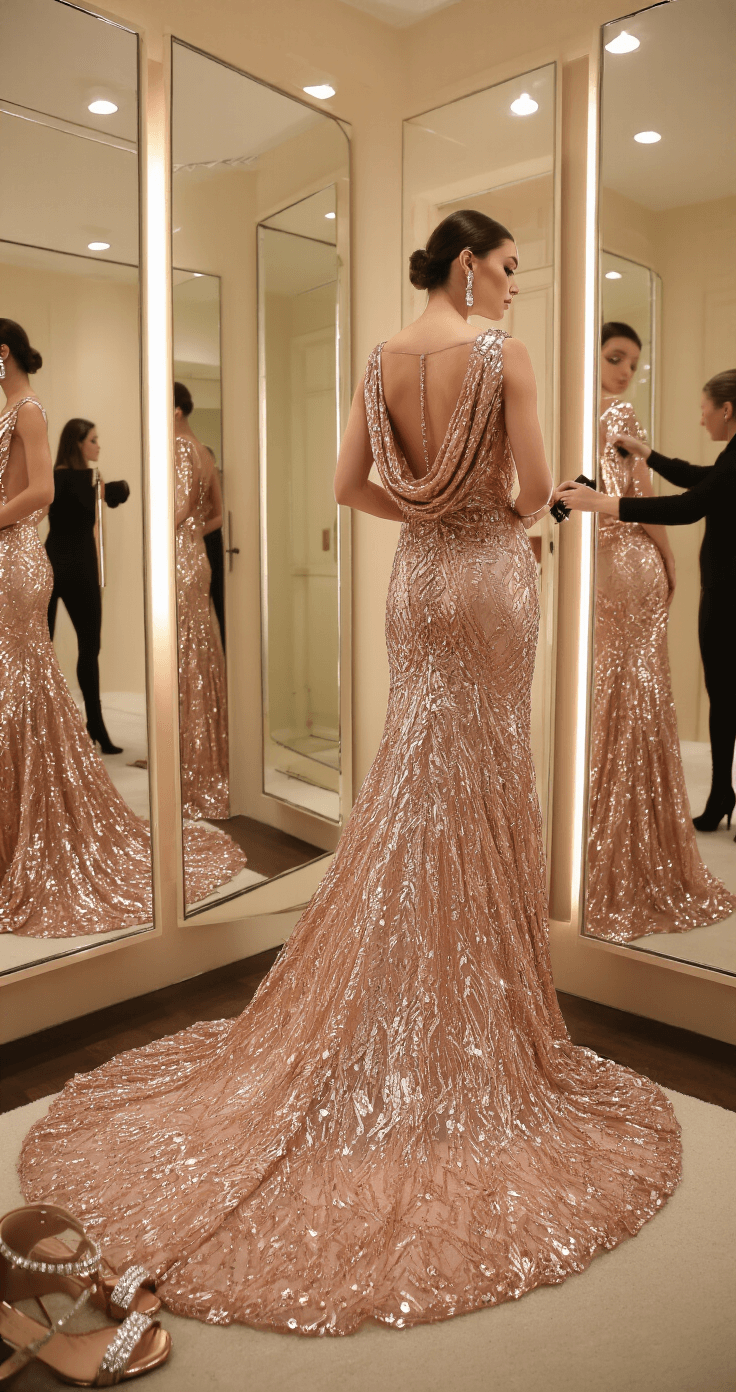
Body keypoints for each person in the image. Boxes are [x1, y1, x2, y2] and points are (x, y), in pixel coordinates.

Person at [20, 216, 680, 1335]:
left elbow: (348, 485)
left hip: (414, 586)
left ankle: (410, 981)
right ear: (468, 265)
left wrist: (425, 512)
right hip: (484, 578)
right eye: (512, 269)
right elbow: (527, 490)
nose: (518, 289)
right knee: (471, 786)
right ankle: (463, 1010)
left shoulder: (382, 360)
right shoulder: (496, 356)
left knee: (416, 784)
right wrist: (532, 510)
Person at [0, 317, 246, 936]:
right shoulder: (14, 410)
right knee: (21, 681)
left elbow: (40, 495)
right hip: (21, 552)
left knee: (23, 680)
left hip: (22, 556)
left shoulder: (29, 410)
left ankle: (43, 818)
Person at [567, 323, 733, 942]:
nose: (622, 372)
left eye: (630, 364)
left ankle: (610, 818)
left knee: (616, 690)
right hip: (633, 559)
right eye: (615, 359)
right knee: (636, 691)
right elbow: (652, 496)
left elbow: (688, 487)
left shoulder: (578, 415)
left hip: (606, 569)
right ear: (598, 358)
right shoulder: (616, 413)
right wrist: (665, 564)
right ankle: (637, 822)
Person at [46, 417, 129, 754]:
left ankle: (46, 730)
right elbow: (119, 494)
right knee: (88, 647)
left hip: (50, 562)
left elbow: (114, 496)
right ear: (78, 442)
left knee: (43, 649)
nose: (98, 445)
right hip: (79, 567)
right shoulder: (91, 479)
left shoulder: (53, 476)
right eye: (93, 440)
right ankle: (94, 724)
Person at [174, 382, 230, 818]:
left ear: (174, 411)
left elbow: (173, 510)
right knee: (200, 651)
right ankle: (206, 755)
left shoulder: (177, 448)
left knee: (183, 657)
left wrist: (174, 530)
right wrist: (193, 535)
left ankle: (190, 762)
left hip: (178, 559)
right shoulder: (204, 451)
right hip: (196, 558)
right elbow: (216, 513)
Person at [203, 445, 226, 651]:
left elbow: (222, 516)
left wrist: (197, 530)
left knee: (220, 604)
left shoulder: (217, 481)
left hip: (213, 544)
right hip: (195, 550)